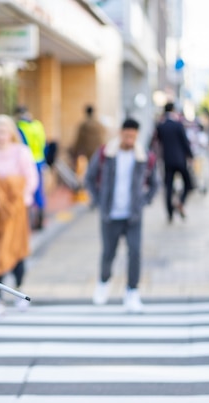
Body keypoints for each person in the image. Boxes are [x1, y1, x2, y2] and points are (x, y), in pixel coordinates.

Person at [85, 118, 158, 312]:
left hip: (133, 216)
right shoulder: (105, 153)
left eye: (133, 136)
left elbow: (155, 183)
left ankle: (132, 292)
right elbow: (89, 178)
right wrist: (98, 201)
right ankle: (103, 284)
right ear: (120, 133)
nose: (129, 139)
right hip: (110, 214)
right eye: (126, 135)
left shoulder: (144, 156)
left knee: (135, 253)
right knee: (109, 253)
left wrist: (144, 201)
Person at [0, 114, 39, 317]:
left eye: (4, 131)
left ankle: (19, 289)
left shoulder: (21, 152)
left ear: (11, 133)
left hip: (17, 211)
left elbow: (31, 179)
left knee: (18, 250)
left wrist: (20, 199)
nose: (0, 136)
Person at [155, 102, 193, 223]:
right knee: (189, 184)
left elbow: (158, 141)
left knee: (168, 187)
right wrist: (190, 155)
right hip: (180, 159)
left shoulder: (160, 125)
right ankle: (180, 202)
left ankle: (170, 213)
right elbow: (185, 142)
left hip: (167, 160)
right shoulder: (178, 124)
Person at [15, 105, 47, 230]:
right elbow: (43, 143)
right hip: (39, 161)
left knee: (27, 192)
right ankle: (40, 218)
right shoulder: (38, 125)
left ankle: (30, 222)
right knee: (39, 191)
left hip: (26, 163)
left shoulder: (20, 128)